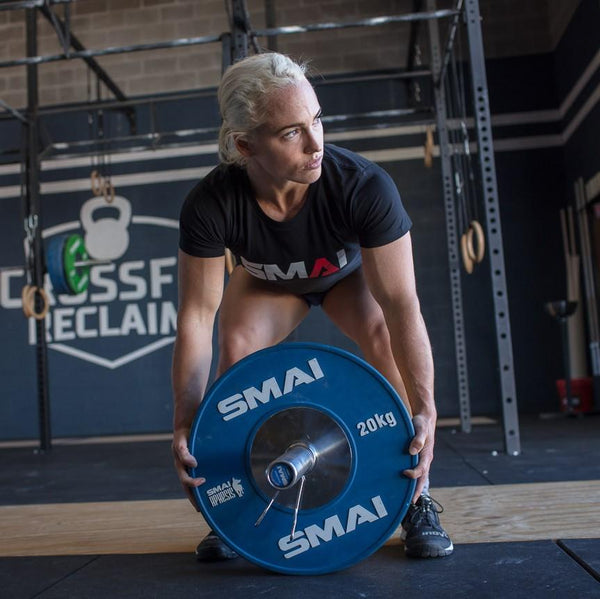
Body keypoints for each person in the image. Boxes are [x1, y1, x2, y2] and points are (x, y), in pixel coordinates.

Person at [171, 51, 453, 561]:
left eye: (317, 119)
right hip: (268, 283)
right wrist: (185, 424)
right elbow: (195, 317)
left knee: (383, 340)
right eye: (290, 133)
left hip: (346, 278)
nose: (316, 142)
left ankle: (419, 497)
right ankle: (229, 510)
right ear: (244, 144)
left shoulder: (363, 186)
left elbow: (402, 304)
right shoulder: (211, 203)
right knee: (236, 355)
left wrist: (428, 410)